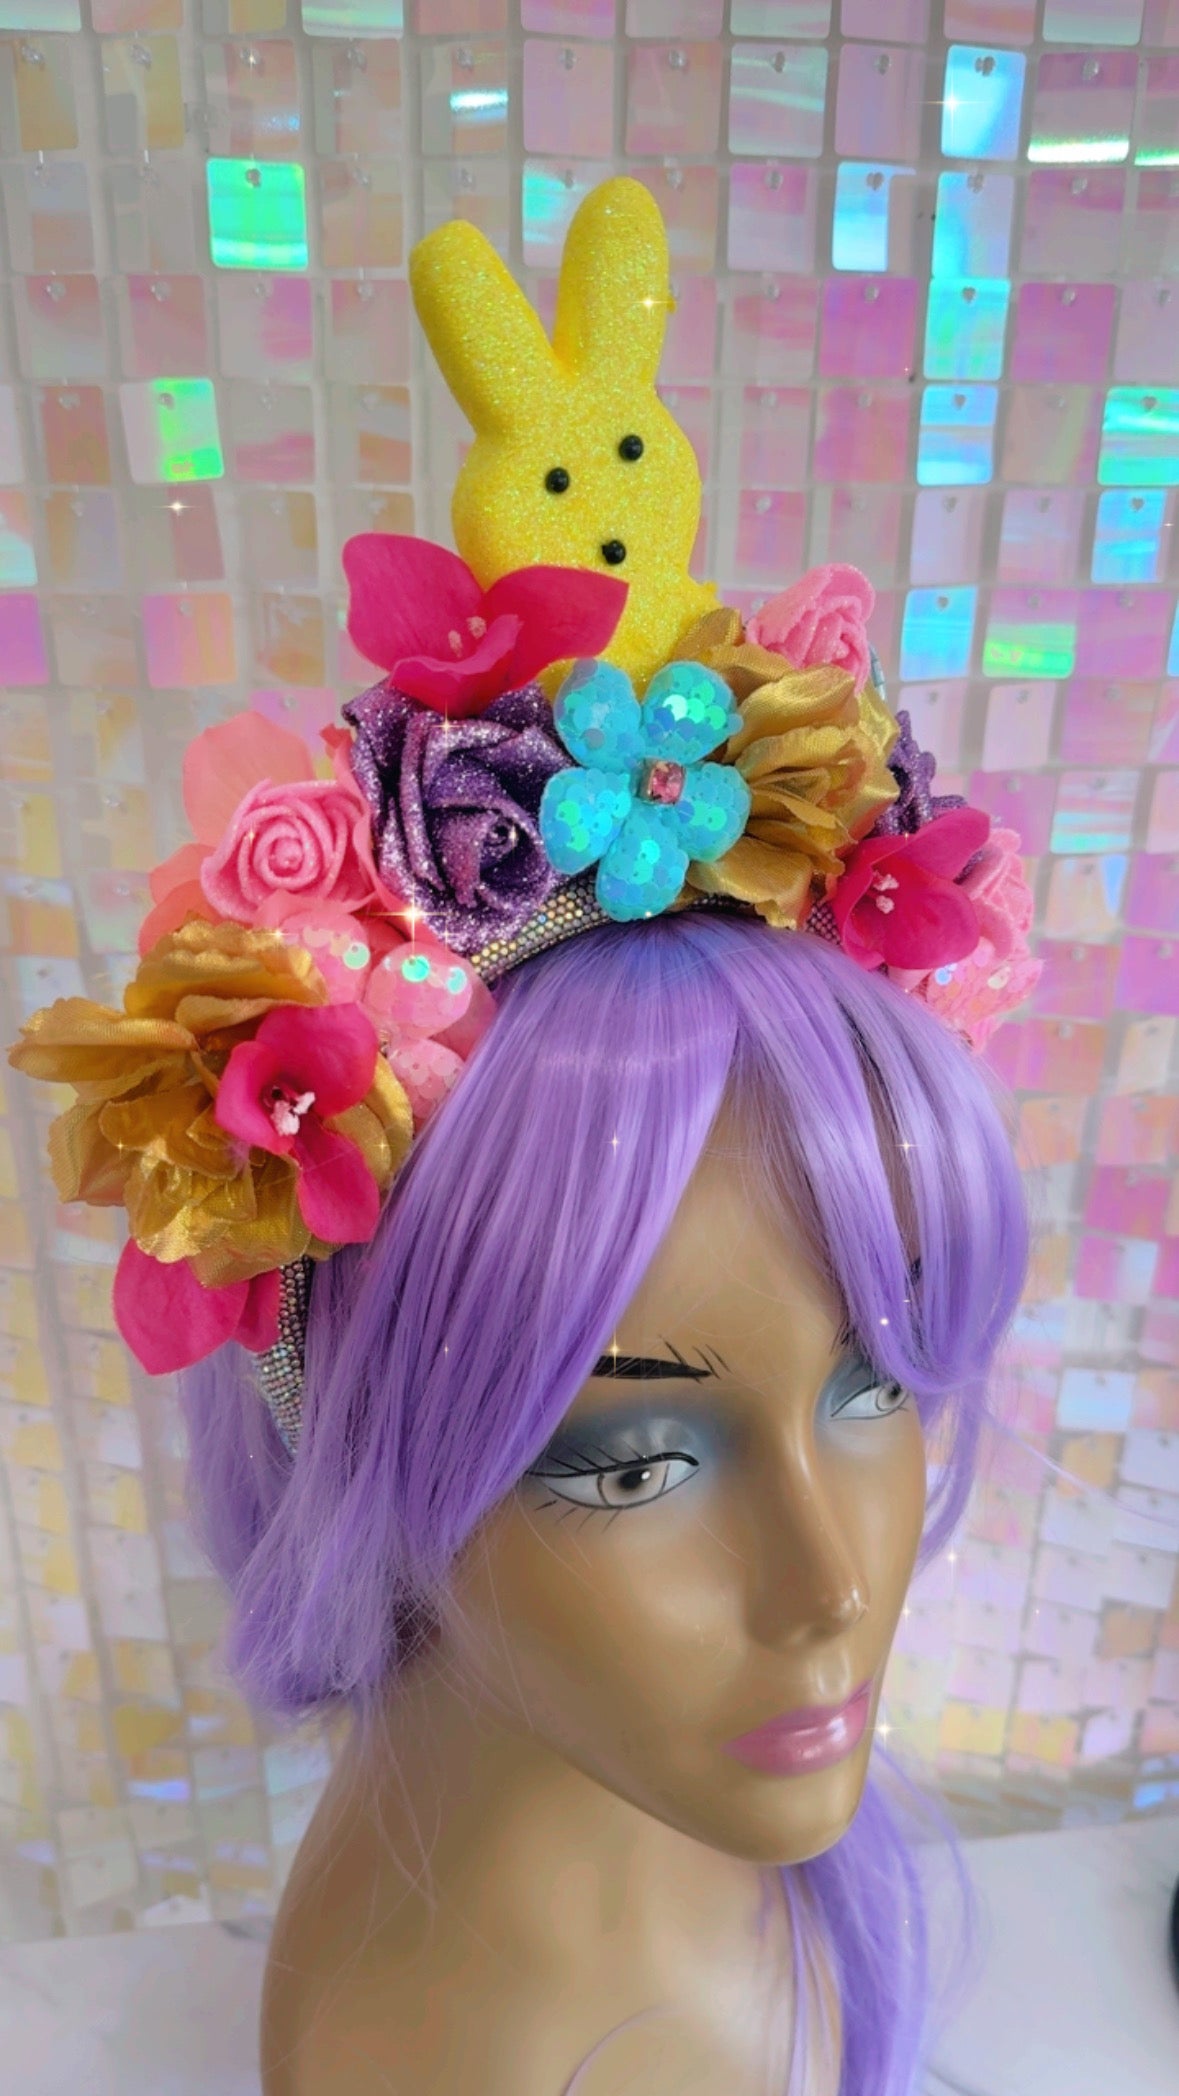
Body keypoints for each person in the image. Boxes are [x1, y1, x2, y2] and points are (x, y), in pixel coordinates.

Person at [9, 176, 1039, 2094]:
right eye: (635, 1463)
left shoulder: (715, 1837)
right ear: (358, 1434)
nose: (831, 1584)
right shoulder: (425, 2045)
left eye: (880, 1384)